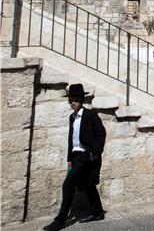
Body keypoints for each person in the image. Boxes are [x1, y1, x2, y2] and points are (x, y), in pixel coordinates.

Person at [44, 84, 107, 231]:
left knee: (68, 184)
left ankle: (60, 220)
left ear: (81, 100)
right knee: (87, 185)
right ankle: (98, 212)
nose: (73, 103)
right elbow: (71, 140)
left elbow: (101, 134)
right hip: (76, 156)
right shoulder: (72, 117)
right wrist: (69, 160)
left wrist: (95, 153)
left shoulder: (90, 115)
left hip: (86, 155)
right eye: (71, 100)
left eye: (75, 100)